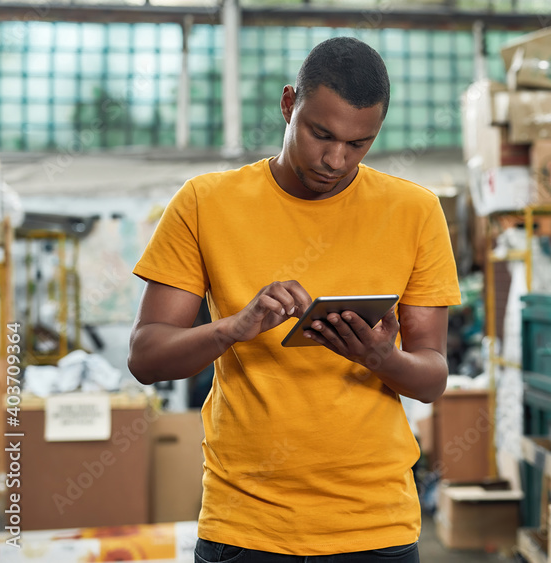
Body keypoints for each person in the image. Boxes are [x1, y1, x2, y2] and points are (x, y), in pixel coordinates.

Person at [128, 37, 460, 562]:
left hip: (374, 527)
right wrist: (233, 328)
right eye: (320, 134)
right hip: (245, 526)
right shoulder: (204, 203)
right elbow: (146, 359)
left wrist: (380, 358)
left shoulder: (415, 212)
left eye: (359, 144)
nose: (335, 159)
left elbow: (433, 377)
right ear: (288, 105)